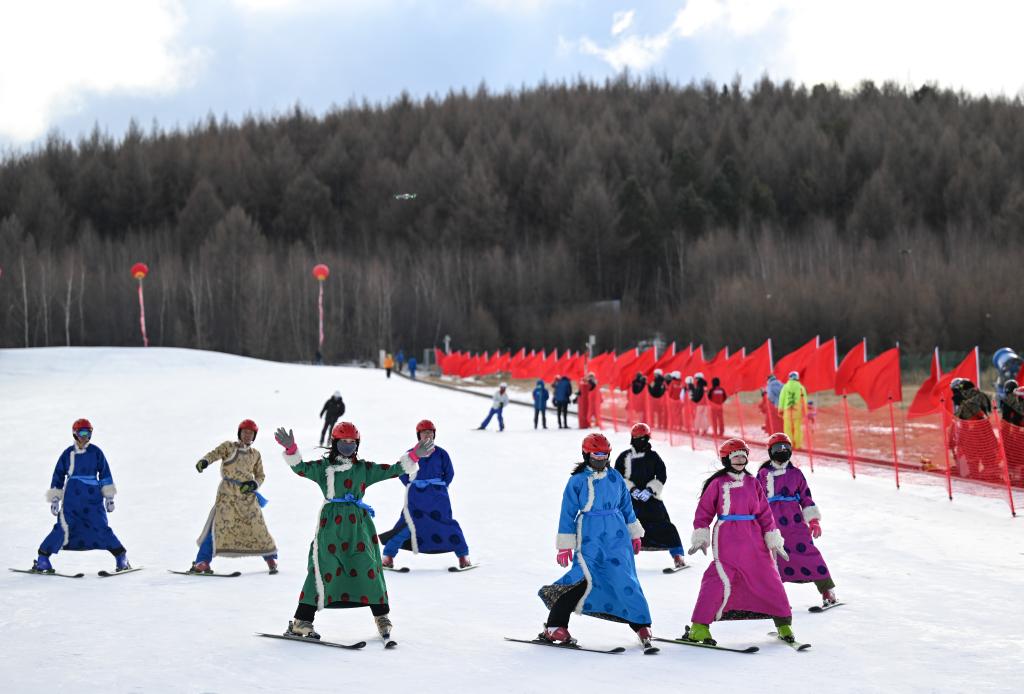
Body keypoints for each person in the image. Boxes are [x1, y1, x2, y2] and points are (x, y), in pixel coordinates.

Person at [272, 421, 434, 641]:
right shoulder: (324, 469)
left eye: (352, 442)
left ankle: (381, 616)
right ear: (335, 443)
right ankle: (302, 621)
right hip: (331, 527)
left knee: (368, 566)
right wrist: (291, 450)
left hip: (359, 527)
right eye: (343, 442)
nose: (348, 446)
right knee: (323, 567)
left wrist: (414, 455)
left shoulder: (363, 469)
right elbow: (301, 468)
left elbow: (394, 470)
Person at [537, 433, 653, 650]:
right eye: (596, 454)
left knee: (625, 578)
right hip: (589, 534)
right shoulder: (577, 480)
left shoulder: (615, 476)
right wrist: (565, 545)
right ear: (586, 454)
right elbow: (567, 512)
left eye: (604, 454)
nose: (600, 458)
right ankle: (555, 626)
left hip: (617, 535)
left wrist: (634, 532)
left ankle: (641, 624)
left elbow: (626, 505)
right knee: (583, 578)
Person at [682, 438, 797, 645]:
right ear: (726, 459)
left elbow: (764, 513)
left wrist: (773, 538)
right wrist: (701, 535)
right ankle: (699, 627)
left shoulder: (753, 483)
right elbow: (705, 511)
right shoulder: (718, 483)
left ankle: (783, 623)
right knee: (718, 578)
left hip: (754, 539)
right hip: (727, 538)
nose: (740, 461)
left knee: (768, 578)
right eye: (735, 457)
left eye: (743, 457)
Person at [30, 419, 131, 573]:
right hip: (72, 500)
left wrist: (109, 497)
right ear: (75, 434)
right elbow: (58, 476)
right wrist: (55, 499)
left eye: (88, 433)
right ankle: (43, 558)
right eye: (82, 433)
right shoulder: (68, 454)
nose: (85, 437)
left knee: (100, 527)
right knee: (63, 527)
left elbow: (105, 475)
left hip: (93, 500)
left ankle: (121, 557)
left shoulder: (96, 452)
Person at [756, 433, 836, 608]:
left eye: (786, 448)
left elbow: (806, 498)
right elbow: (754, 500)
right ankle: (779, 599)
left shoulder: (796, 474)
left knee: (810, 555)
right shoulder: (763, 474)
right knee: (773, 562)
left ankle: (827, 591)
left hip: (795, 524)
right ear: (770, 452)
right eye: (778, 448)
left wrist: (813, 520)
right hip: (771, 526)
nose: (782, 452)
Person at [189, 419, 278, 574]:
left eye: (251, 433)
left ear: (254, 436)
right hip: (227, 495)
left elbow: (261, 475)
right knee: (218, 526)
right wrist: (205, 461)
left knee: (258, 526)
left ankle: (270, 558)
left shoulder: (255, 454)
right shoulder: (229, 447)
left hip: (246, 496)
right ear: (239, 433)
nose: (247, 436)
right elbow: (214, 454)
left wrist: (253, 484)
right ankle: (202, 561)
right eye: (244, 432)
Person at [380, 420, 471, 569]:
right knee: (406, 525)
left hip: (438, 499)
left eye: (430, 432)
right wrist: (413, 487)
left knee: (447, 525)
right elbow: (402, 472)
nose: (427, 435)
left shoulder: (442, 454)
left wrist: (439, 487)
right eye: (424, 432)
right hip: (416, 498)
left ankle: (463, 556)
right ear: (419, 435)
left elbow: (449, 473)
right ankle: (388, 557)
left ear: (434, 434)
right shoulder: (411, 454)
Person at [614, 423, 686, 570]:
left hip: (651, 500)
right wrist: (631, 489)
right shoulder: (624, 456)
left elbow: (661, 475)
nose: (639, 441)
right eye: (636, 438)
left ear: (647, 438)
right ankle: (620, 560)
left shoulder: (653, 457)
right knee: (625, 528)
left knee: (666, 527)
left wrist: (650, 490)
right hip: (630, 501)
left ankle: (677, 557)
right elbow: (618, 476)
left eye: (642, 438)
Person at [778, 371, 808, 449]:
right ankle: (797, 445)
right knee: (797, 429)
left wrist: (780, 409)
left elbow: (782, 399)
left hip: (787, 412)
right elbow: (804, 400)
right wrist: (805, 411)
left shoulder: (785, 387)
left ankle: (788, 445)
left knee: (787, 429)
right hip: (797, 412)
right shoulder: (801, 387)